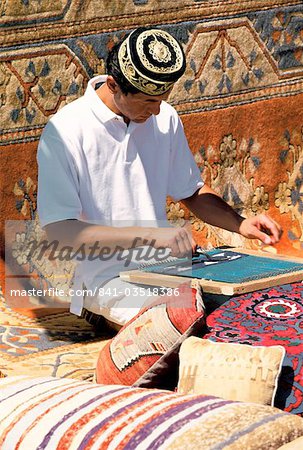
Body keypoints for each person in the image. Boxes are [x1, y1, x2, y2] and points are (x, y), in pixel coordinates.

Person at [37, 27, 282, 329]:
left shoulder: (164, 116)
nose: (155, 112)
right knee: (183, 326)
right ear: (113, 85)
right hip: (106, 278)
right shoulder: (64, 132)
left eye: (161, 101)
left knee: (262, 307)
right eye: (146, 103)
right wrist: (153, 237)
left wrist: (240, 223)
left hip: (169, 271)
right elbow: (62, 232)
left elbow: (190, 191)